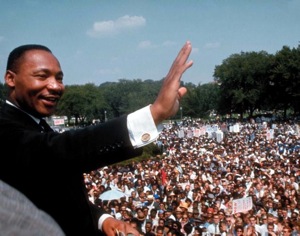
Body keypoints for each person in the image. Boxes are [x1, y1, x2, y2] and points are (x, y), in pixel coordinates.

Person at [0, 41, 193, 235]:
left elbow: (55, 197)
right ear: (10, 78)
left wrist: (103, 220)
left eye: (59, 78)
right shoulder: (5, 126)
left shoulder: (37, 124)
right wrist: (154, 113)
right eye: (42, 76)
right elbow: (57, 152)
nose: (55, 86)